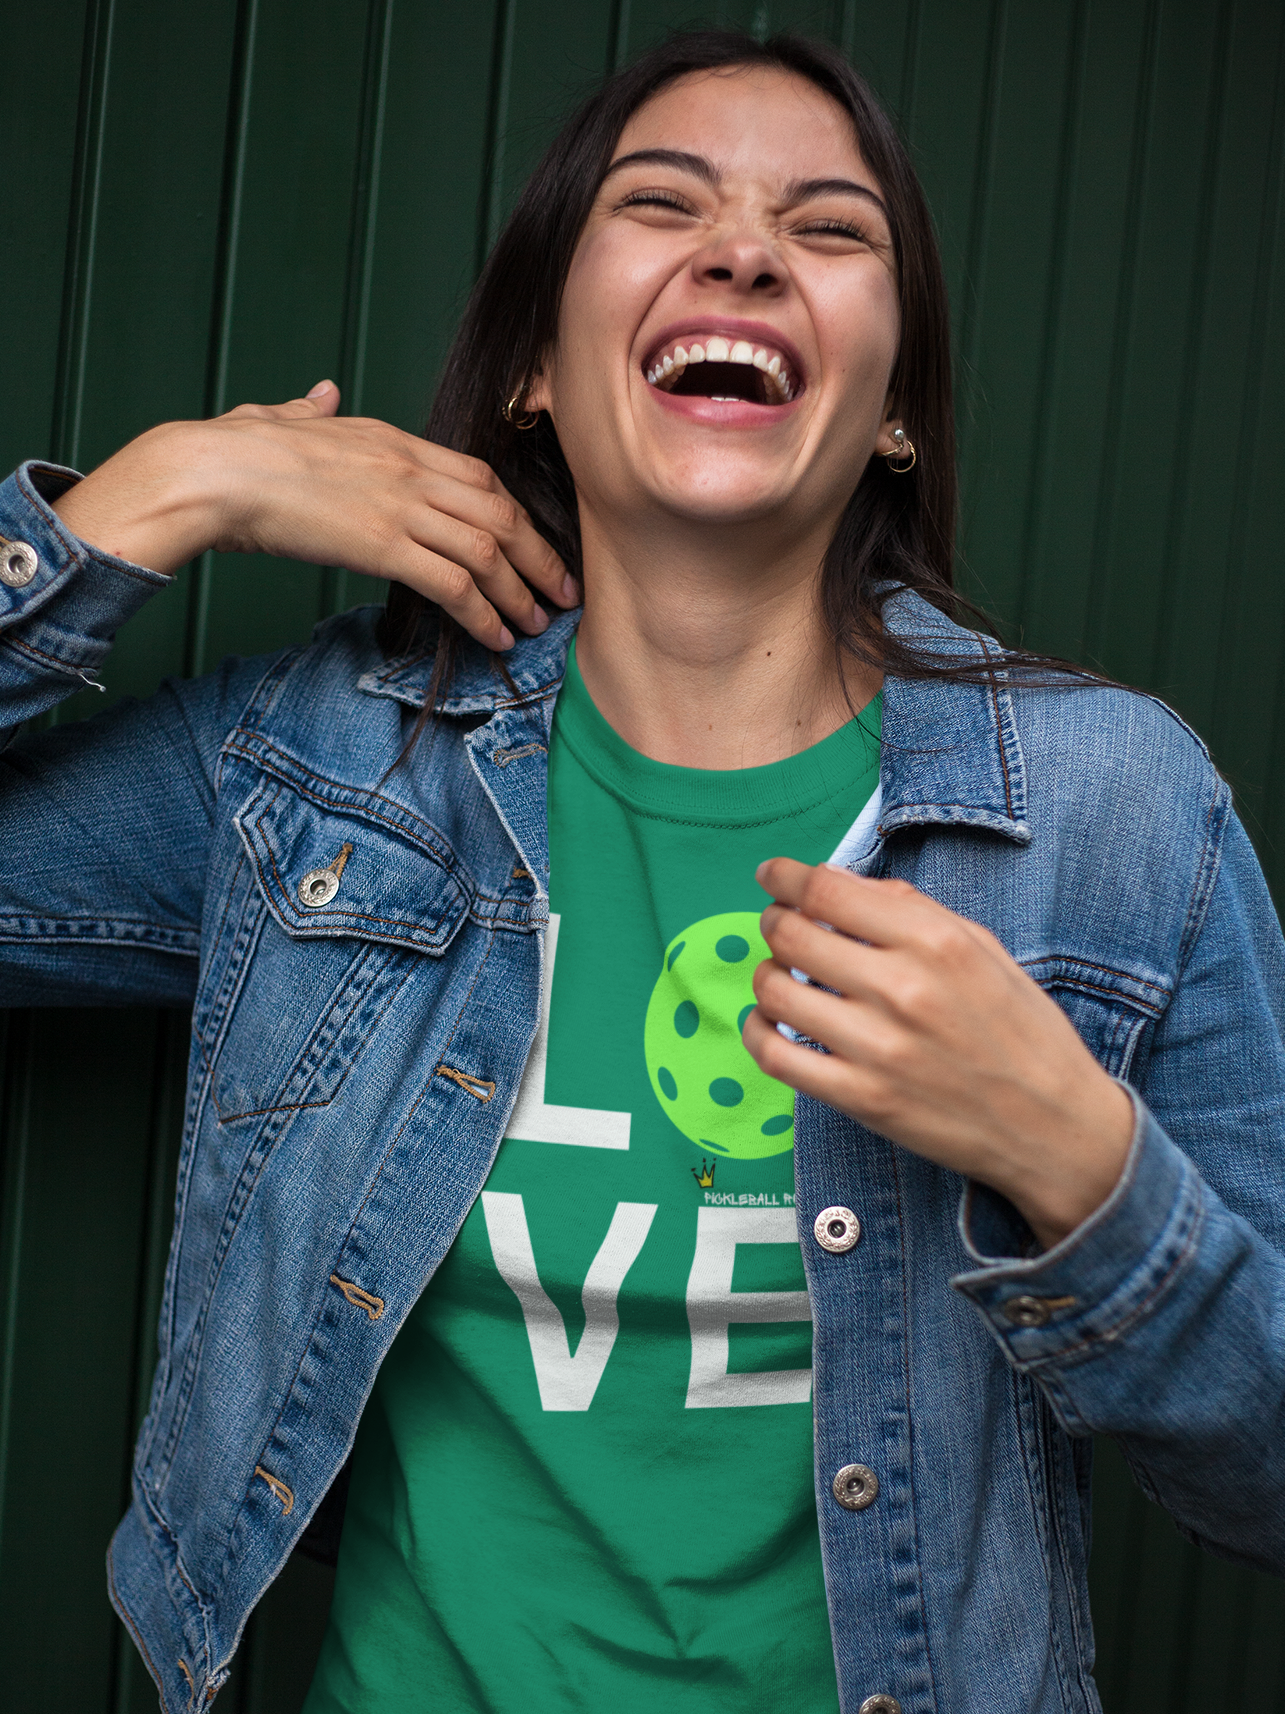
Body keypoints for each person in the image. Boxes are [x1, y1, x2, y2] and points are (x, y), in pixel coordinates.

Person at [1, 27, 1282, 1714]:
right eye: (663, 201)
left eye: (830, 230)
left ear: (893, 408)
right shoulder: (324, 774)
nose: (745, 248)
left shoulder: (1124, 811)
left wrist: (1084, 1161)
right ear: (538, 360)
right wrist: (166, 488)